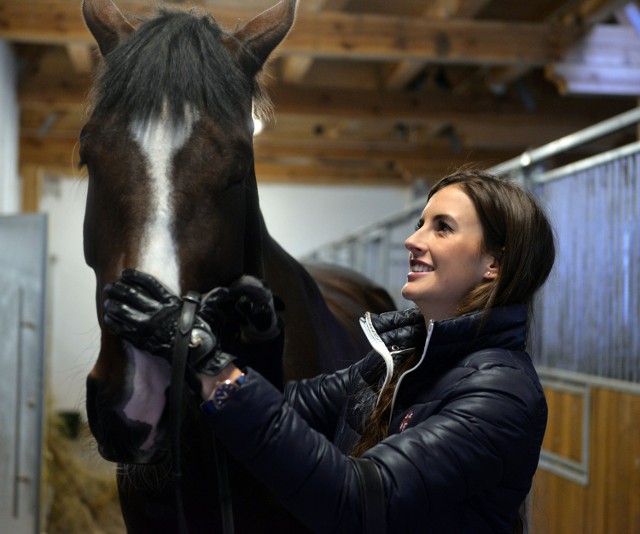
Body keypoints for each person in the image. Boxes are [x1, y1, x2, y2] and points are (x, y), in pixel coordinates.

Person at [103, 169, 556, 533]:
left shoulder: (501, 394)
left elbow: (359, 501)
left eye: (442, 228)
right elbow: (291, 408)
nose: (413, 240)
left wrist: (206, 359)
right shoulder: (400, 358)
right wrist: (255, 347)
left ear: (495, 263)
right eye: (421, 224)